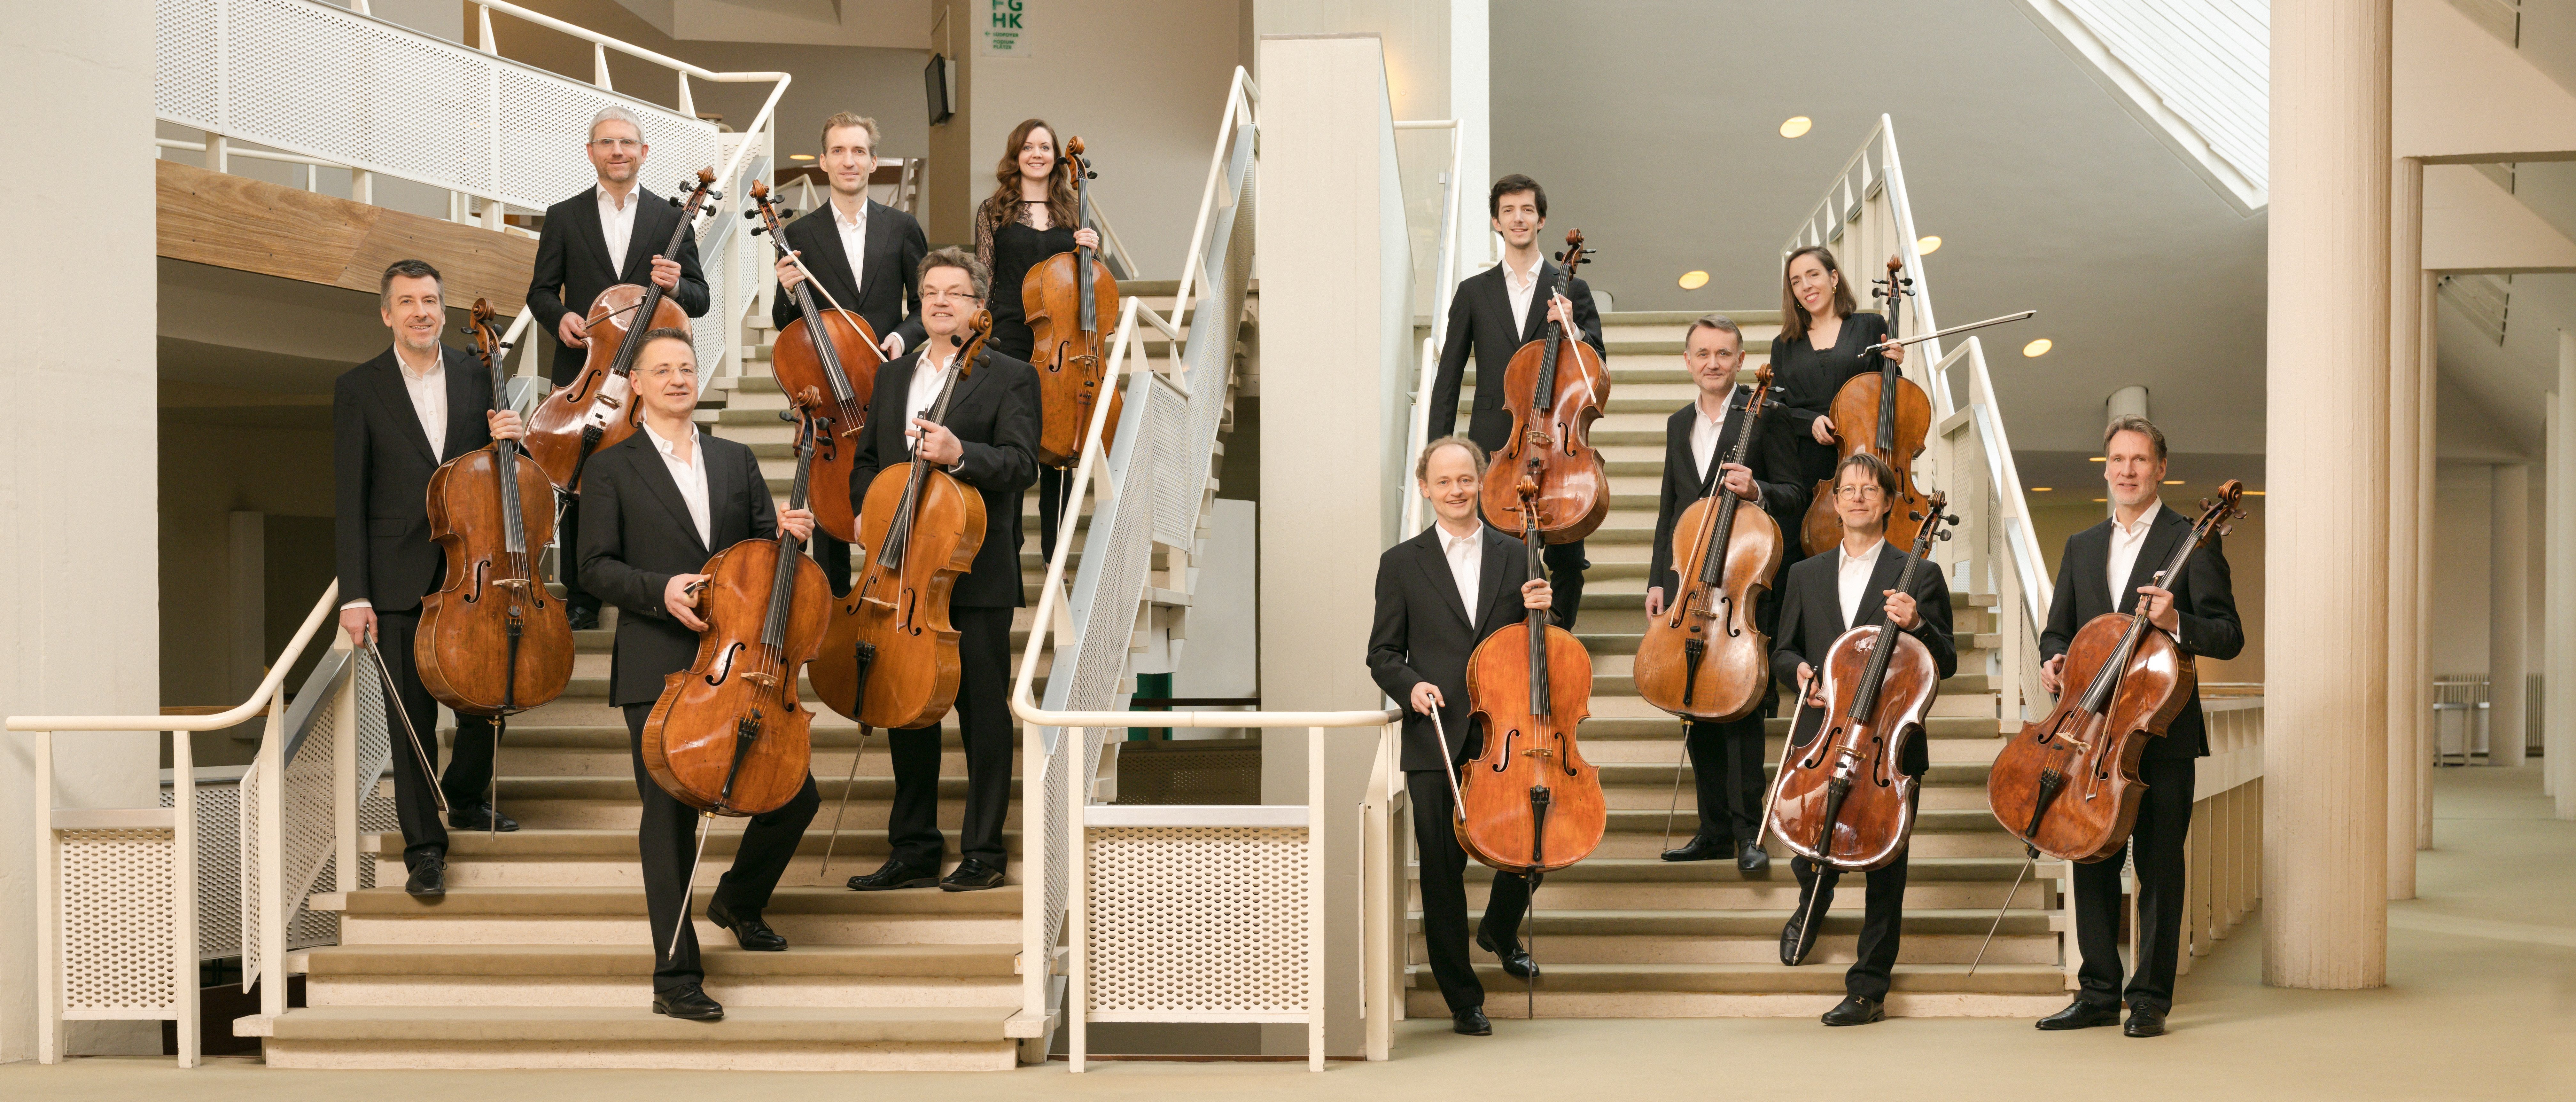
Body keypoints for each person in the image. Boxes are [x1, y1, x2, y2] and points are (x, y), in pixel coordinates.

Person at [575, 328, 818, 1022]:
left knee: (795, 795)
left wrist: (791, 538)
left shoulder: (736, 458)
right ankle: (674, 974)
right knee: (669, 815)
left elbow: (760, 560)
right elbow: (591, 568)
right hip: (658, 664)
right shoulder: (612, 468)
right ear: (640, 386)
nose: (679, 378)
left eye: (687, 367)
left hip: (738, 663)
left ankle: (737, 898)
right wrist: (661, 588)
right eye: (664, 369)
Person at [2033, 415, 2241, 1038]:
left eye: (2140, 460)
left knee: (2157, 865)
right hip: (2094, 733)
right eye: (2118, 459)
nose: (2127, 470)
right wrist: (2052, 655)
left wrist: (2177, 621)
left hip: (2162, 734)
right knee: (2089, 853)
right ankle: (2097, 989)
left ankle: (2149, 997)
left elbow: (2228, 635)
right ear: (2105, 468)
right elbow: (2058, 628)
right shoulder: (2082, 544)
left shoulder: (2193, 541)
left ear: (2161, 469)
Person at [841, 248, 1041, 895]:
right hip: (901, 569)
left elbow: (1020, 464)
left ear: (980, 307)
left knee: (982, 714)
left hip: (972, 571)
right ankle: (915, 846)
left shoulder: (1010, 374)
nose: (941, 302)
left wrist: (961, 455)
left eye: (956, 293)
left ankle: (983, 850)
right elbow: (868, 462)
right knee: (907, 705)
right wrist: (868, 512)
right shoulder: (895, 377)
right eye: (931, 292)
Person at [333, 259, 526, 895]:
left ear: (444, 310)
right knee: (409, 716)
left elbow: (509, 483)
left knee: (486, 698)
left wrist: (513, 442)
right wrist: (354, 592)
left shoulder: (481, 373)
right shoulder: (359, 387)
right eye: (408, 301)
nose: (422, 311)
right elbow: (349, 497)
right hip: (394, 577)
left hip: (472, 569)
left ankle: (466, 794)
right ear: (387, 313)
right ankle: (425, 848)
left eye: (431, 300)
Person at [1366, 436, 1555, 1037]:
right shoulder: (1400, 562)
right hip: (1435, 738)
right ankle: (1462, 998)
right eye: (1443, 481)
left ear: (1481, 482)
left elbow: (1544, 646)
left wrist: (1545, 610)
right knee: (1442, 870)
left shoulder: (1517, 549)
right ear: (1425, 488)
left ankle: (1499, 926)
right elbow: (1382, 653)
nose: (1455, 490)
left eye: (1465, 479)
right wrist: (1411, 686)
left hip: (1506, 731)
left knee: (1535, 841)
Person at [1769, 451, 1954, 1027]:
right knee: (1804, 835)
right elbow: (1783, 650)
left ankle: (1868, 986)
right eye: (1846, 488)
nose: (1855, 497)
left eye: (1868, 490)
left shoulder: (1918, 574)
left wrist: (1918, 624)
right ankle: (1813, 895)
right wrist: (1801, 674)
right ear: (1833, 500)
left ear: (1886, 501)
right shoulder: (1803, 573)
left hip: (1887, 744)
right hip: (1822, 731)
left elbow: (1943, 661)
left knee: (1885, 867)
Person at [526, 106, 712, 630]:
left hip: (646, 379)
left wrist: (677, 284)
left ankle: (642, 588)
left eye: (627, 143)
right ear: (591, 153)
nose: (617, 152)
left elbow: (698, 299)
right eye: (606, 143)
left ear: (643, 153)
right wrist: (559, 315)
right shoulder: (563, 216)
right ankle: (582, 597)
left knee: (642, 478)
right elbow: (540, 291)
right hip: (586, 370)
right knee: (578, 477)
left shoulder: (671, 219)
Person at [1642, 315, 1809, 871]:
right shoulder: (1675, 424)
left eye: (1722, 353)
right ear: (1687, 362)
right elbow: (1672, 510)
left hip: (1740, 588)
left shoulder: (1765, 414)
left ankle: (1747, 834)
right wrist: (1656, 580)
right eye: (1701, 353)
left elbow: (1796, 492)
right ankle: (1711, 829)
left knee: (1738, 711)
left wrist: (1757, 489)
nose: (1712, 362)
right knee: (1692, 705)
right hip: (1689, 585)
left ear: (1739, 361)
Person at [1425, 174, 1605, 629]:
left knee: (1567, 560)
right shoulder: (1472, 291)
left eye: (1527, 210)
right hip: (1496, 445)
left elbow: (1596, 366)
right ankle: (1504, 647)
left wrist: (1573, 330)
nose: (1518, 218)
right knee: (1494, 559)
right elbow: (1447, 381)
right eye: (1508, 211)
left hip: (1557, 446)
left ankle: (1557, 644)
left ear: (1541, 219)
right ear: (1496, 221)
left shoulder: (1572, 289)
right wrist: (1436, 456)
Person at [772, 111, 930, 595]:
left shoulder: (902, 226)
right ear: (822, 162)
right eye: (838, 151)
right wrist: (784, 291)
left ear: (873, 161)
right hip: (829, 393)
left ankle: (893, 596)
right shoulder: (798, 233)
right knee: (831, 495)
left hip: (888, 380)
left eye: (858, 151)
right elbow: (789, 324)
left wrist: (902, 337)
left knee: (894, 491)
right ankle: (836, 600)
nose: (848, 160)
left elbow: (926, 307)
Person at [973, 118, 1099, 564]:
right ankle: (1007, 552)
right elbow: (985, 277)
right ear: (1016, 155)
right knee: (1011, 440)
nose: (1038, 154)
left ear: (1057, 159)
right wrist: (976, 328)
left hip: (1060, 340)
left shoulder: (1072, 210)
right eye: (1028, 147)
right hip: (1008, 334)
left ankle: (1055, 554)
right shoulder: (994, 210)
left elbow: (1093, 282)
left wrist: (1092, 248)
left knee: (1057, 448)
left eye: (1045, 147)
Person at [1767, 245, 1904, 538]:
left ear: (1833, 278)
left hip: (1862, 456)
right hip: (1805, 463)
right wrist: (1810, 422)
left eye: (1813, 275)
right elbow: (1776, 407)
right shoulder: (1784, 344)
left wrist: (1894, 363)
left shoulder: (1870, 326)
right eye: (1795, 282)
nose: (1805, 286)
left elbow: (1890, 397)